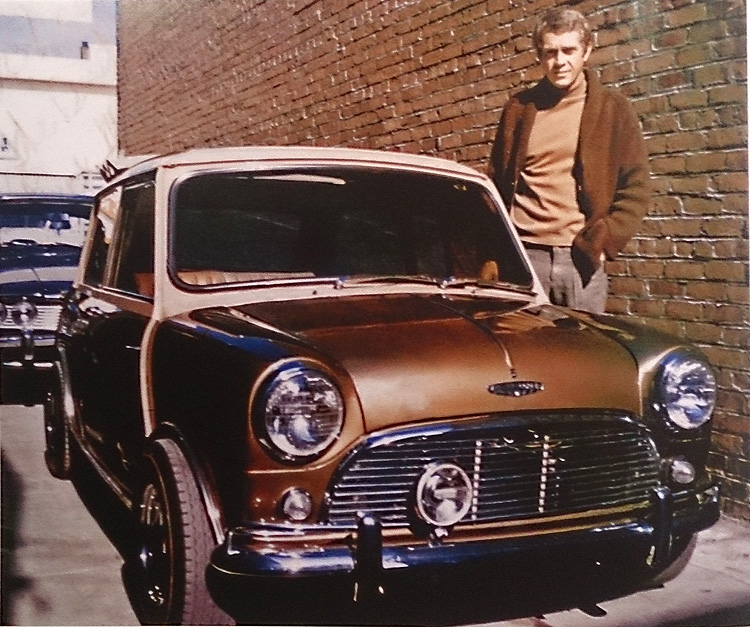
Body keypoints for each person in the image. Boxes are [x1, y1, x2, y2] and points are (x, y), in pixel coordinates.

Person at [488, 7, 651, 313]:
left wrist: (603, 241)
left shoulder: (613, 109)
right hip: (524, 257)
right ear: (540, 56)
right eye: (550, 52)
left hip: (579, 259)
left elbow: (636, 189)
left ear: (586, 51)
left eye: (568, 50)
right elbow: (497, 181)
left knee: (582, 343)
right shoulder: (519, 109)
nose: (559, 61)